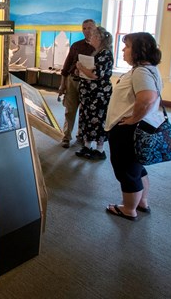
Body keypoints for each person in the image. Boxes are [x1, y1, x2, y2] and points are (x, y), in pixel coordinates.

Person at [104, 32, 163, 221]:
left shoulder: (140, 72)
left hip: (128, 129)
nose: (123, 49)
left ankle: (129, 208)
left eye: (127, 46)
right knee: (136, 167)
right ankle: (141, 201)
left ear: (138, 50)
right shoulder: (147, 69)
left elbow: (147, 97)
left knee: (125, 169)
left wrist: (132, 119)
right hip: (138, 127)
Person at [75, 26, 114, 160]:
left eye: (92, 36)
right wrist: (79, 71)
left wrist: (81, 67)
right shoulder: (96, 52)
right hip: (89, 94)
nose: (90, 38)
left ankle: (99, 149)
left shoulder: (105, 54)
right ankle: (87, 146)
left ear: (98, 38)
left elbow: (96, 75)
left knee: (97, 120)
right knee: (87, 119)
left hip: (98, 95)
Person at [58, 19, 96, 148]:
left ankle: (81, 135)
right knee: (70, 110)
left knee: (85, 111)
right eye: (84, 28)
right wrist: (62, 85)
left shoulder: (100, 48)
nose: (87, 31)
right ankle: (66, 137)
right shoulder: (76, 45)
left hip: (90, 84)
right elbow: (66, 65)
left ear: (95, 28)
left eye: (89, 28)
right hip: (72, 81)